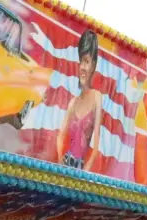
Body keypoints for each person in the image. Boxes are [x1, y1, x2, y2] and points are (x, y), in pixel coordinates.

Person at [56, 29, 103, 169]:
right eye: (81, 62)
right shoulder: (73, 103)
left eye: (87, 62)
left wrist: (84, 173)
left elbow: (95, 148)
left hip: (81, 168)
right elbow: (60, 136)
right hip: (66, 163)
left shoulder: (97, 97)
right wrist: (59, 159)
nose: (82, 67)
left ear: (93, 65)